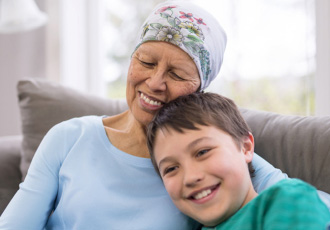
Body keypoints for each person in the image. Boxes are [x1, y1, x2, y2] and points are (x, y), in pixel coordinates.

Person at [0, 1, 329, 229]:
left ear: (200, 88)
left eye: (176, 72)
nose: (155, 82)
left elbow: (311, 203)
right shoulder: (71, 136)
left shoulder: (217, 160)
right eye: (145, 61)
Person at [147, 92, 330, 229]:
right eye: (171, 169)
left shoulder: (286, 199)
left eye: (202, 152)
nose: (190, 177)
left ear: (246, 148)